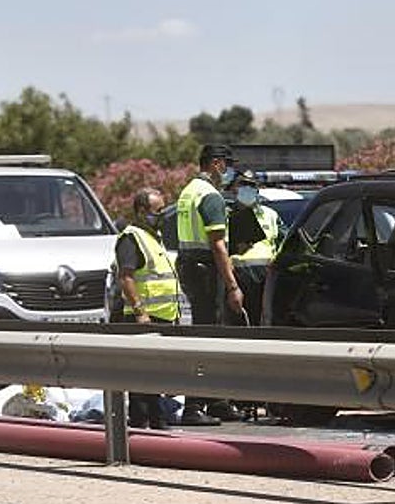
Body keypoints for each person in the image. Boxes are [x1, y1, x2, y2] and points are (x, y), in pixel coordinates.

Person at [175, 143, 244, 425]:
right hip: (206, 270)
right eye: (226, 165)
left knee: (208, 334)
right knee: (207, 338)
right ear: (216, 164)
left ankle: (216, 401)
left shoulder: (188, 191)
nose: (228, 171)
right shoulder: (210, 196)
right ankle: (194, 407)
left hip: (190, 267)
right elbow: (218, 245)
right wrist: (232, 286)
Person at [112, 187, 181, 429]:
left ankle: (157, 422)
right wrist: (140, 311)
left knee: (155, 376)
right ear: (142, 211)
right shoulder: (131, 237)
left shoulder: (153, 236)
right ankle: (141, 427)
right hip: (143, 318)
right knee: (141, 379)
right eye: (158, 210)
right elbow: (126, 277)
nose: (162, 215)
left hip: (162, 317)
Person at [226, 170, 282, 325]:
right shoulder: (226, 215)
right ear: (235, 189)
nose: (247, 190)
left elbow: (283, 244)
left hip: (265, 278)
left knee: (263, 325)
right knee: (238, 325)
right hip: (238, 278)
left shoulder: (271, 215)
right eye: (243, 185)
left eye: (251, 186)